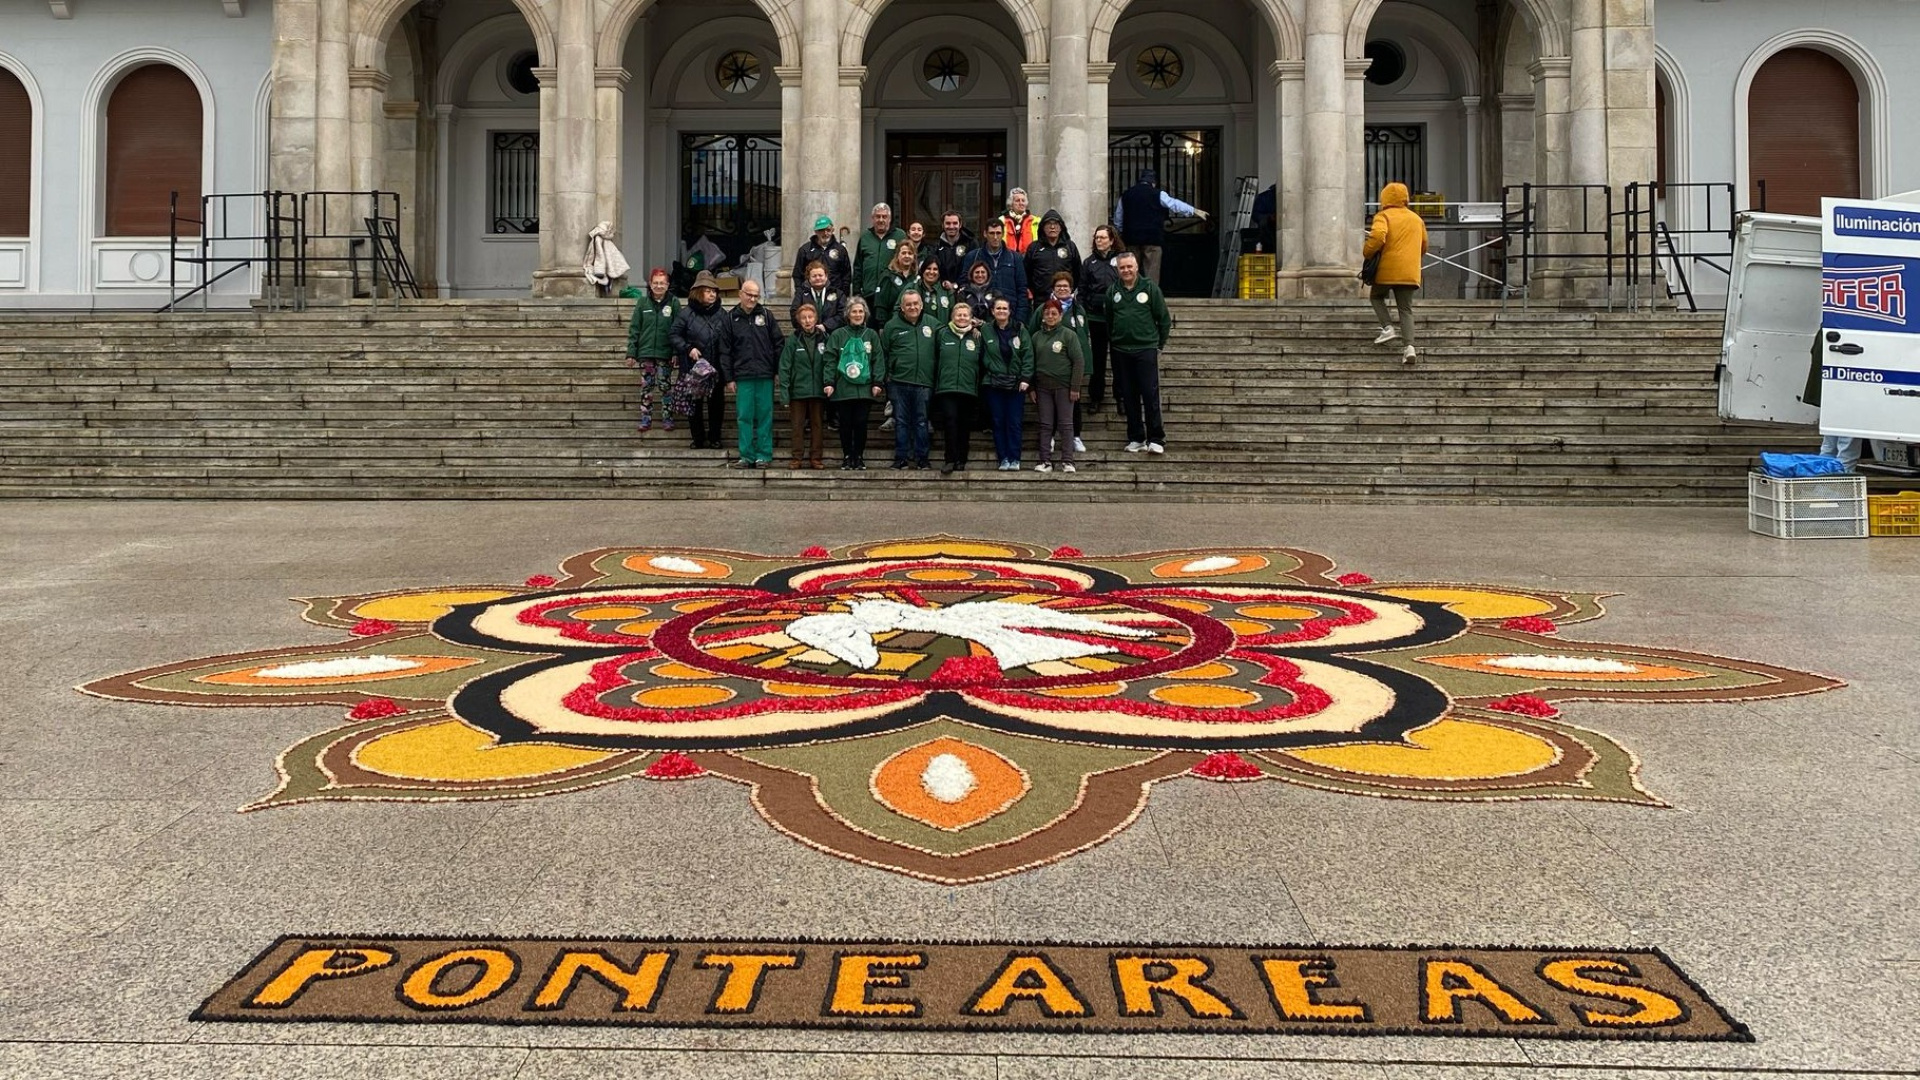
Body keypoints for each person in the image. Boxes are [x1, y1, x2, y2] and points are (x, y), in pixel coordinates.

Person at [1107, 251, 1171, 455]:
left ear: (1136, 267)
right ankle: (1136, 438)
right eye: (1122, 267)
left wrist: (1158, 344)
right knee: (1129, 395)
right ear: (1118, 270)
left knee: (1150, 394)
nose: (1126, 270)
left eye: (1129, 266)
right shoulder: (1112, 291)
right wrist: (1116, 338)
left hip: (1145, 350)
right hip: (1121, 351)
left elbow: (1164, 319)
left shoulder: (1150, 288)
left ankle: (1156, 438)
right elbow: (1109, 319)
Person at [1364, 181, 1428, 365]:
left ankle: (1387, 328)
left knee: (1376, 296)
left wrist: (1367, 252)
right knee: (1405, 309)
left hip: (1387, 269)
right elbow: (1424, 245)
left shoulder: (1383, 216)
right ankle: (1409, 348)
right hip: (1409, 272)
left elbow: (1378, 236)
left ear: (1384, 198)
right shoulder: (1416, 219)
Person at [668, 270, 732, 451]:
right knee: (694, 406)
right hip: (693, 367)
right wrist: (688, 348)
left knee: (716, 405)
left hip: (716, 367)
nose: (712, 295)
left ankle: (715, 438)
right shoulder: (686, 314)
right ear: (698, 292)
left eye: (714, 291)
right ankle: (697, 439)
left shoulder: (723, 314)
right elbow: (673, 335)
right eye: (708, 291)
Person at [723, 278, 783, 468]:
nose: (752, 299)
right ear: (740, 294)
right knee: (744, 417)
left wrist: (777, 370)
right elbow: (725, 351)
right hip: (743, 376)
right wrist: (729, 378)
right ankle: (746, 455)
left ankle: (763, 455)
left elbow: (778, 344)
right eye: (749, 295)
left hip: (765, 375)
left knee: (765, 416)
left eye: (756, 296)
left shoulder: (766, 315)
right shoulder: (730, 318)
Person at [1030, 271, 1090, 453]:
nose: (1062, 289)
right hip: (1048, 367)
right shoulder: (1043, 309)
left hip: (1072, 366)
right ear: (1053, 289)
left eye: (1065, 286)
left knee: (1074, 402)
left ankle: (1075, 436)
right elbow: (1033, 332)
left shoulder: (1078, 309)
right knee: (1049, 408)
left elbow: (1084, 336)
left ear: (1071, 289)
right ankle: (1050, 438)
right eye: (1058, 286)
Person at [1115, 167, 1208, 283]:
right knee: (1151, 273)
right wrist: (1193, 210)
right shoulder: (1158, 194)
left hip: (1131, 239)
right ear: (1153, 182)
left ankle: (1131, 291)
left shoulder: (1126, 195)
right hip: (1153, 239)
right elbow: (1174, 204)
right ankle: (1151, 292)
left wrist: (1121, 232)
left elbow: (1118, 218)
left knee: (1130, 271)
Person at [879, 288, 937, 470]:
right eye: (908, 304)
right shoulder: (891, 326)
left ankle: (922, 459)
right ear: (902, 307)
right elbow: (884, 353)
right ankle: (901, 458)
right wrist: (887, 378)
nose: (913, 307)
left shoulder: (933, 324)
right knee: (901, 421)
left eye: (915, 303)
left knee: (921, 421)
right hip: (898, 382)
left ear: (921, 305)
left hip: (924, 382)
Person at [826, 297, 884, 470]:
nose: (858, 315)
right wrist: (829, 382)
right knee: (845, 423)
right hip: (843, 388)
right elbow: (830, 359)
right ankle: (846, 455)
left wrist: (877, 382)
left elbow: (878, 359)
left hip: (864, 389)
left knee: (861, 422)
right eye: (854, 311)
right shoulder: (838, 335)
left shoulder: (871, 335)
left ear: (865, 314)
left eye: (860, 311)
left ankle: (858, 456)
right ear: (848, 314)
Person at [1029, 298, 1085, 474]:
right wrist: (1031, 387)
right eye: (1047, 313)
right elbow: (1030, 363)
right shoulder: (1036, 337)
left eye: (1054, 313)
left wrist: (1075, 387)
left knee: (1066, 424)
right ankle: (1045, 461)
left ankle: (1068, 461)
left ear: (1060, 316)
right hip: (1042, 387)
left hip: (1064, 387)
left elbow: (1078, 361)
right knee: (1045, 424)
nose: (1050, 316)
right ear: (1042, 316)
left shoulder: (1068, 335)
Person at [624, 267, 680, 433]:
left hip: (665, 354)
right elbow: (635, 329)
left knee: (665, 387)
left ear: (667, 285)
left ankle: (668, 418)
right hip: (646, 353)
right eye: (655, 283)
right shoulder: (642, 303)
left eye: (662, 283)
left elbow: (678, 329)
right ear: (650, 284)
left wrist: (676, 352)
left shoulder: (674, 303)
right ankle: (645, 419)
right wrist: (631, 353)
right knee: (646, 388)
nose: (658, 286)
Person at [776, 301, 832, 469]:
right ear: (799, 321)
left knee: (817, 426)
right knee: (797, 426)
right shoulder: (793, 340)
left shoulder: (824, 338)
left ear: (816, 318)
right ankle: (797, 457)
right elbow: (784, 366)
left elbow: (830, 362)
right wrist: (784, 392)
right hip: (798, 391)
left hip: (818, 391)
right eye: (804, 318)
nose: (807, 321)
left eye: (810, 317)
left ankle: (816, 458)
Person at [980, 296, 1033, 470]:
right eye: (998, 308)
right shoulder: (985, 330)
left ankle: (1014, 458)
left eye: (1005, 308)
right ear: (992, 311)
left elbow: (1027, 354)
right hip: (993, 383)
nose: (1001, 311)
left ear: (1010, 311)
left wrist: (1025, 378)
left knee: (1014, 422)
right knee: (998, 421)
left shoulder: (1020, 329)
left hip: (1016, 384)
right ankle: (1003, 458)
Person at [932, 300, 985, 474]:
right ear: (952, 317)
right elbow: (934, 358)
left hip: (968, 388)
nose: (962, 318)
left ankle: (962, 459)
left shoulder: (977, 336)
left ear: (971, 318)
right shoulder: (942, 334)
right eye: (958, 315)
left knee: (964, 425)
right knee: (950, 421)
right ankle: (949, 459)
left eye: (965, 315)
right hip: (946, 387)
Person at [1079, 225, 1124, 417]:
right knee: (1097, 360)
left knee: (1119, 359)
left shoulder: (1121, 260)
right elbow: (1082, 290)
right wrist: (1083, 311)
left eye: (1103, 237)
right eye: (1097, 237)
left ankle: (1121, 397)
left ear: (1112, 240)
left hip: (1118, 318)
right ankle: (1095, 397)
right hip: (1095, 317)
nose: (1099, 241)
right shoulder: (1089, 262)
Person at [971, 220, 1028, 323]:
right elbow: (965, 285)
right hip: (981, 315)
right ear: (985, 234)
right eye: (991, 233)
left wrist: (1020, 318)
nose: (995, 237)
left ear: (1003, 234)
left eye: (998, 233)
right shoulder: (973, 256)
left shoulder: (1015, 258)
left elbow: (1022, 290)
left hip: (1009, 314)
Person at [1024, 210, 1081, 308]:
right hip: (1041, 300)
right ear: (1042, 227)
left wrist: (1069, 289)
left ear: (1061, 227)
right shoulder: (1034, 248)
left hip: (1065, 299)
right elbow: (1026, 272)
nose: (1052, 227)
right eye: (1048, 224)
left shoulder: (1070, 247)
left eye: (1056, 224)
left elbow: (1078, 271)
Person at [852, 203, 908, 301]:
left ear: (889, 219)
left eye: (884, 217)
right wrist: (856, 292)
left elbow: (907, 261)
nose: (881, 220)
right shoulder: (865, 237)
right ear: (872, 219)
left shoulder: (900, 236)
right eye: (878, 216)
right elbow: (858, 266)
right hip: (868, 293)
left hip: (892, 293)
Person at [791, 215, 851, 295]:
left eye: (828, 230)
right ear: (816, 232)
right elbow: (797, 274)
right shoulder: (805, 250)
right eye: (821, 230)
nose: (825, 233)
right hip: (810, 294)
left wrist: (843, 295)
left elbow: (846, 274)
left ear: (832, 230)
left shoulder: (840, 250)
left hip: (834, 294)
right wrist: (801, 294)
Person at [790, 259, 846, 333]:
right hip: (807, 334)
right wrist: (810, 326)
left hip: (832, 334)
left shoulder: (838, 294)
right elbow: (794, 312)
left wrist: (826, 326)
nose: (818, 278)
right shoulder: (801, 294)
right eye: (814, 276)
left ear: (826, 276)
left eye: (820, 275)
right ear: (809, 278)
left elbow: (843, 314)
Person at [870, 242, 919, 325]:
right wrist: (882, 325)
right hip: (892, 323)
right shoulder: (888, 276)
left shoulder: (917, 278)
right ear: (897, 256)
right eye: (903, 253)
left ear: (914, 257)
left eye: (910, 253)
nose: (907, 256)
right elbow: (881, 304)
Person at [930, 211, 975, 286]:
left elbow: (973, 268)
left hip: (966, 288)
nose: (951, 227)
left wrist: (956, 285)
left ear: (960, 225)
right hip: (942, 288)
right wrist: (943, 283)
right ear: (942, 225)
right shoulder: (936, 246)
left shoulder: (971, 243)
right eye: (948, 223)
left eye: (955, 223)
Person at [999, 188, 1040, 256]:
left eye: (1023, 200)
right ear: (1011, 204)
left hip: (1029, 258)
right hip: (1007, 258)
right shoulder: (1002, 220)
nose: (1021, 203)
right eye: (1017, 201)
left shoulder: (1035, 221)